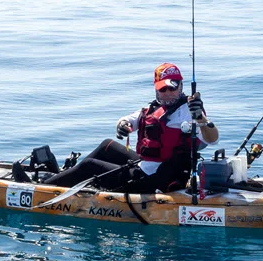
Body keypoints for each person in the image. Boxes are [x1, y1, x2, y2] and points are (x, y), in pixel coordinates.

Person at [42, 63, 219, 193]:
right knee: (107, 145)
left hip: (157, 179)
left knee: (89, 165)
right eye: (162, 89)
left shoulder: (189, 111)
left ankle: (44, 189)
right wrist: (122, 124)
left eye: (172, 88)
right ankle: (59, 179)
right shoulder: (156, 107)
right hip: (146, 167)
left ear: (181, 86)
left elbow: (212, 139)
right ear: (156, 90)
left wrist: (201, 119)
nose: (168, 93)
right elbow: (131, 119)